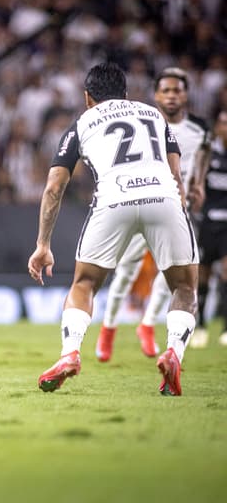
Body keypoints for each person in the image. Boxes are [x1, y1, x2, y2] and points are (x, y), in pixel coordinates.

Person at [28, 62, 198, 396]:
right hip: (163, 197)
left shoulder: (82, 123)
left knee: (85, 283)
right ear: (125, 94)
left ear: (88, 97)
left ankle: (70, 354)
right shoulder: (153, 115)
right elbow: (177, 175)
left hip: (113, 201)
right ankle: (173, 353)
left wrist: (43, 244)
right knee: (185, 288)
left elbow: (53, 188)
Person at [95, 67, 210, 361]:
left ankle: (147, 325)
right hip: (142, 198)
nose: (172, 96)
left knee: (173, 273)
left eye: (177, 90)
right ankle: (108, 329)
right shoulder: (147, 120)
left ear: (186, 94)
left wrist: (197, 185)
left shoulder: (199, 130)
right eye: (166, 90)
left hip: (175, 206)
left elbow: (202, 156)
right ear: (156, 95)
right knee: (126, 270)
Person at [196, 109, 227, 346]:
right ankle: (200, 326)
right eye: (223, 124)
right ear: (217, 127)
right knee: (203, 275)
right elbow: (197, 184)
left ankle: (225, 328)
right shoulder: (208, 155)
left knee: (226, 273)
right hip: (208, 223)